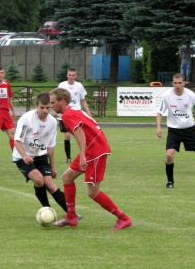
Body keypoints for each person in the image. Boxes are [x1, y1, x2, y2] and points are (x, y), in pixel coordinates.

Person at [49, 88, 132, 230]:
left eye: (53, 102)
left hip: (95, 151)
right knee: (67, 177)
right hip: (92, 148)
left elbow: (79, 131)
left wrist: (82, 155)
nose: (51, 106)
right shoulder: (72, 110)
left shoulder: (67, 115)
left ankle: (123, 218)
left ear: (62, 101)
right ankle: (71, 216)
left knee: (92, 192)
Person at [13, 92, 81, 218]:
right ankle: (47, 210)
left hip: (41, 156)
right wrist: (24, 156)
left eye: (48, 107)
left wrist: (53, 167)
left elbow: (50, 146)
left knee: (50, 184)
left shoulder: (53, 122)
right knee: (39, 180)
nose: (45, 111)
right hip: (22, 157)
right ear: (36, 106)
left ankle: (71, 214)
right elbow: (17, 141)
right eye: (42, 107)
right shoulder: (26, 119)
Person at [57, 68, 92, 164]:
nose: (71, 77)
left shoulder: (79, 86)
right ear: (67, 75)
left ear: (76, 76)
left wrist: (88, 112)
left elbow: (83, 99)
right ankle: (68, 158)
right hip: (64, 115)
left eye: (73, 75)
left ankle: (85, 155)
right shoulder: (62, 85)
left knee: (80, 135)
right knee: (67, 135)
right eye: (70, 75)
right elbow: (57, 99)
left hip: (76, 114)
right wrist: (57, 110)